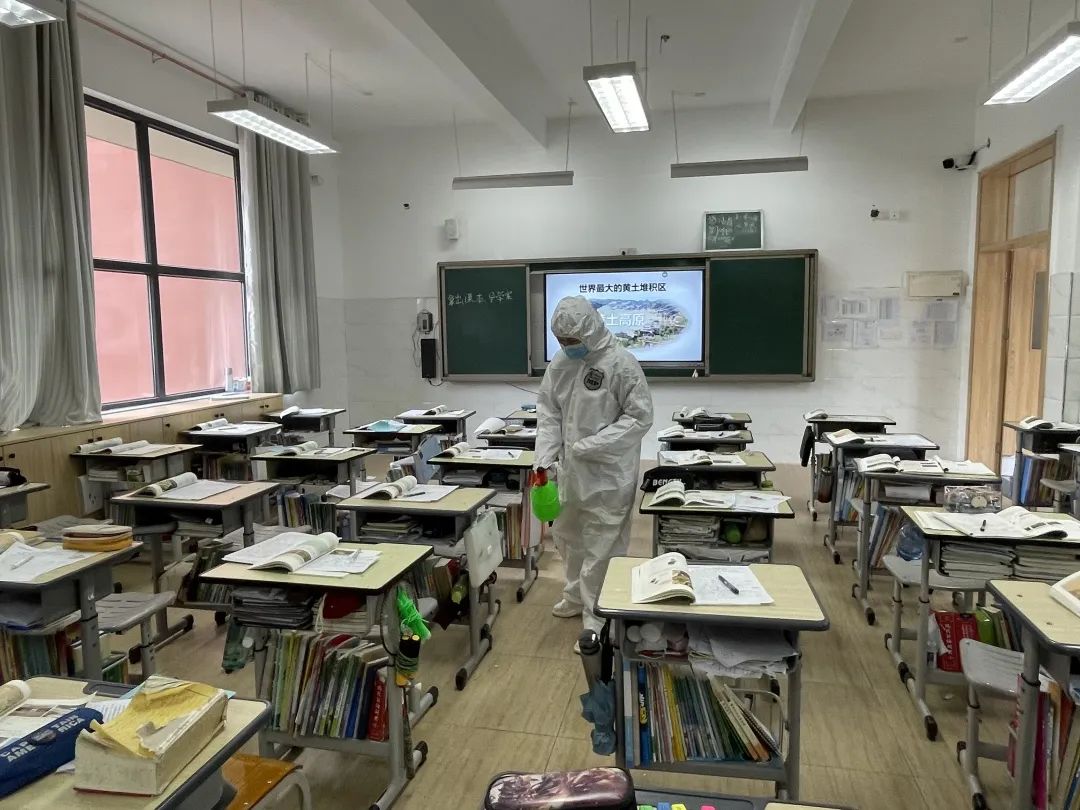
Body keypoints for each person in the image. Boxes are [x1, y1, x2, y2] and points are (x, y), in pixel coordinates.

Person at [535, 296, 654, 641]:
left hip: (608, 474)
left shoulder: (621, 364)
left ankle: (598, 616)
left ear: (590, 330)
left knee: (602, 545)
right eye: (561, 340)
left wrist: (591, 445)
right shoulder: (561, 364)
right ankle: (575, 596)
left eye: (572, 340)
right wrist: (544, 457)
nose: (566, 346)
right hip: (571, 472)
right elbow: (549, 412)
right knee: (569, 537)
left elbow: (639, 417)